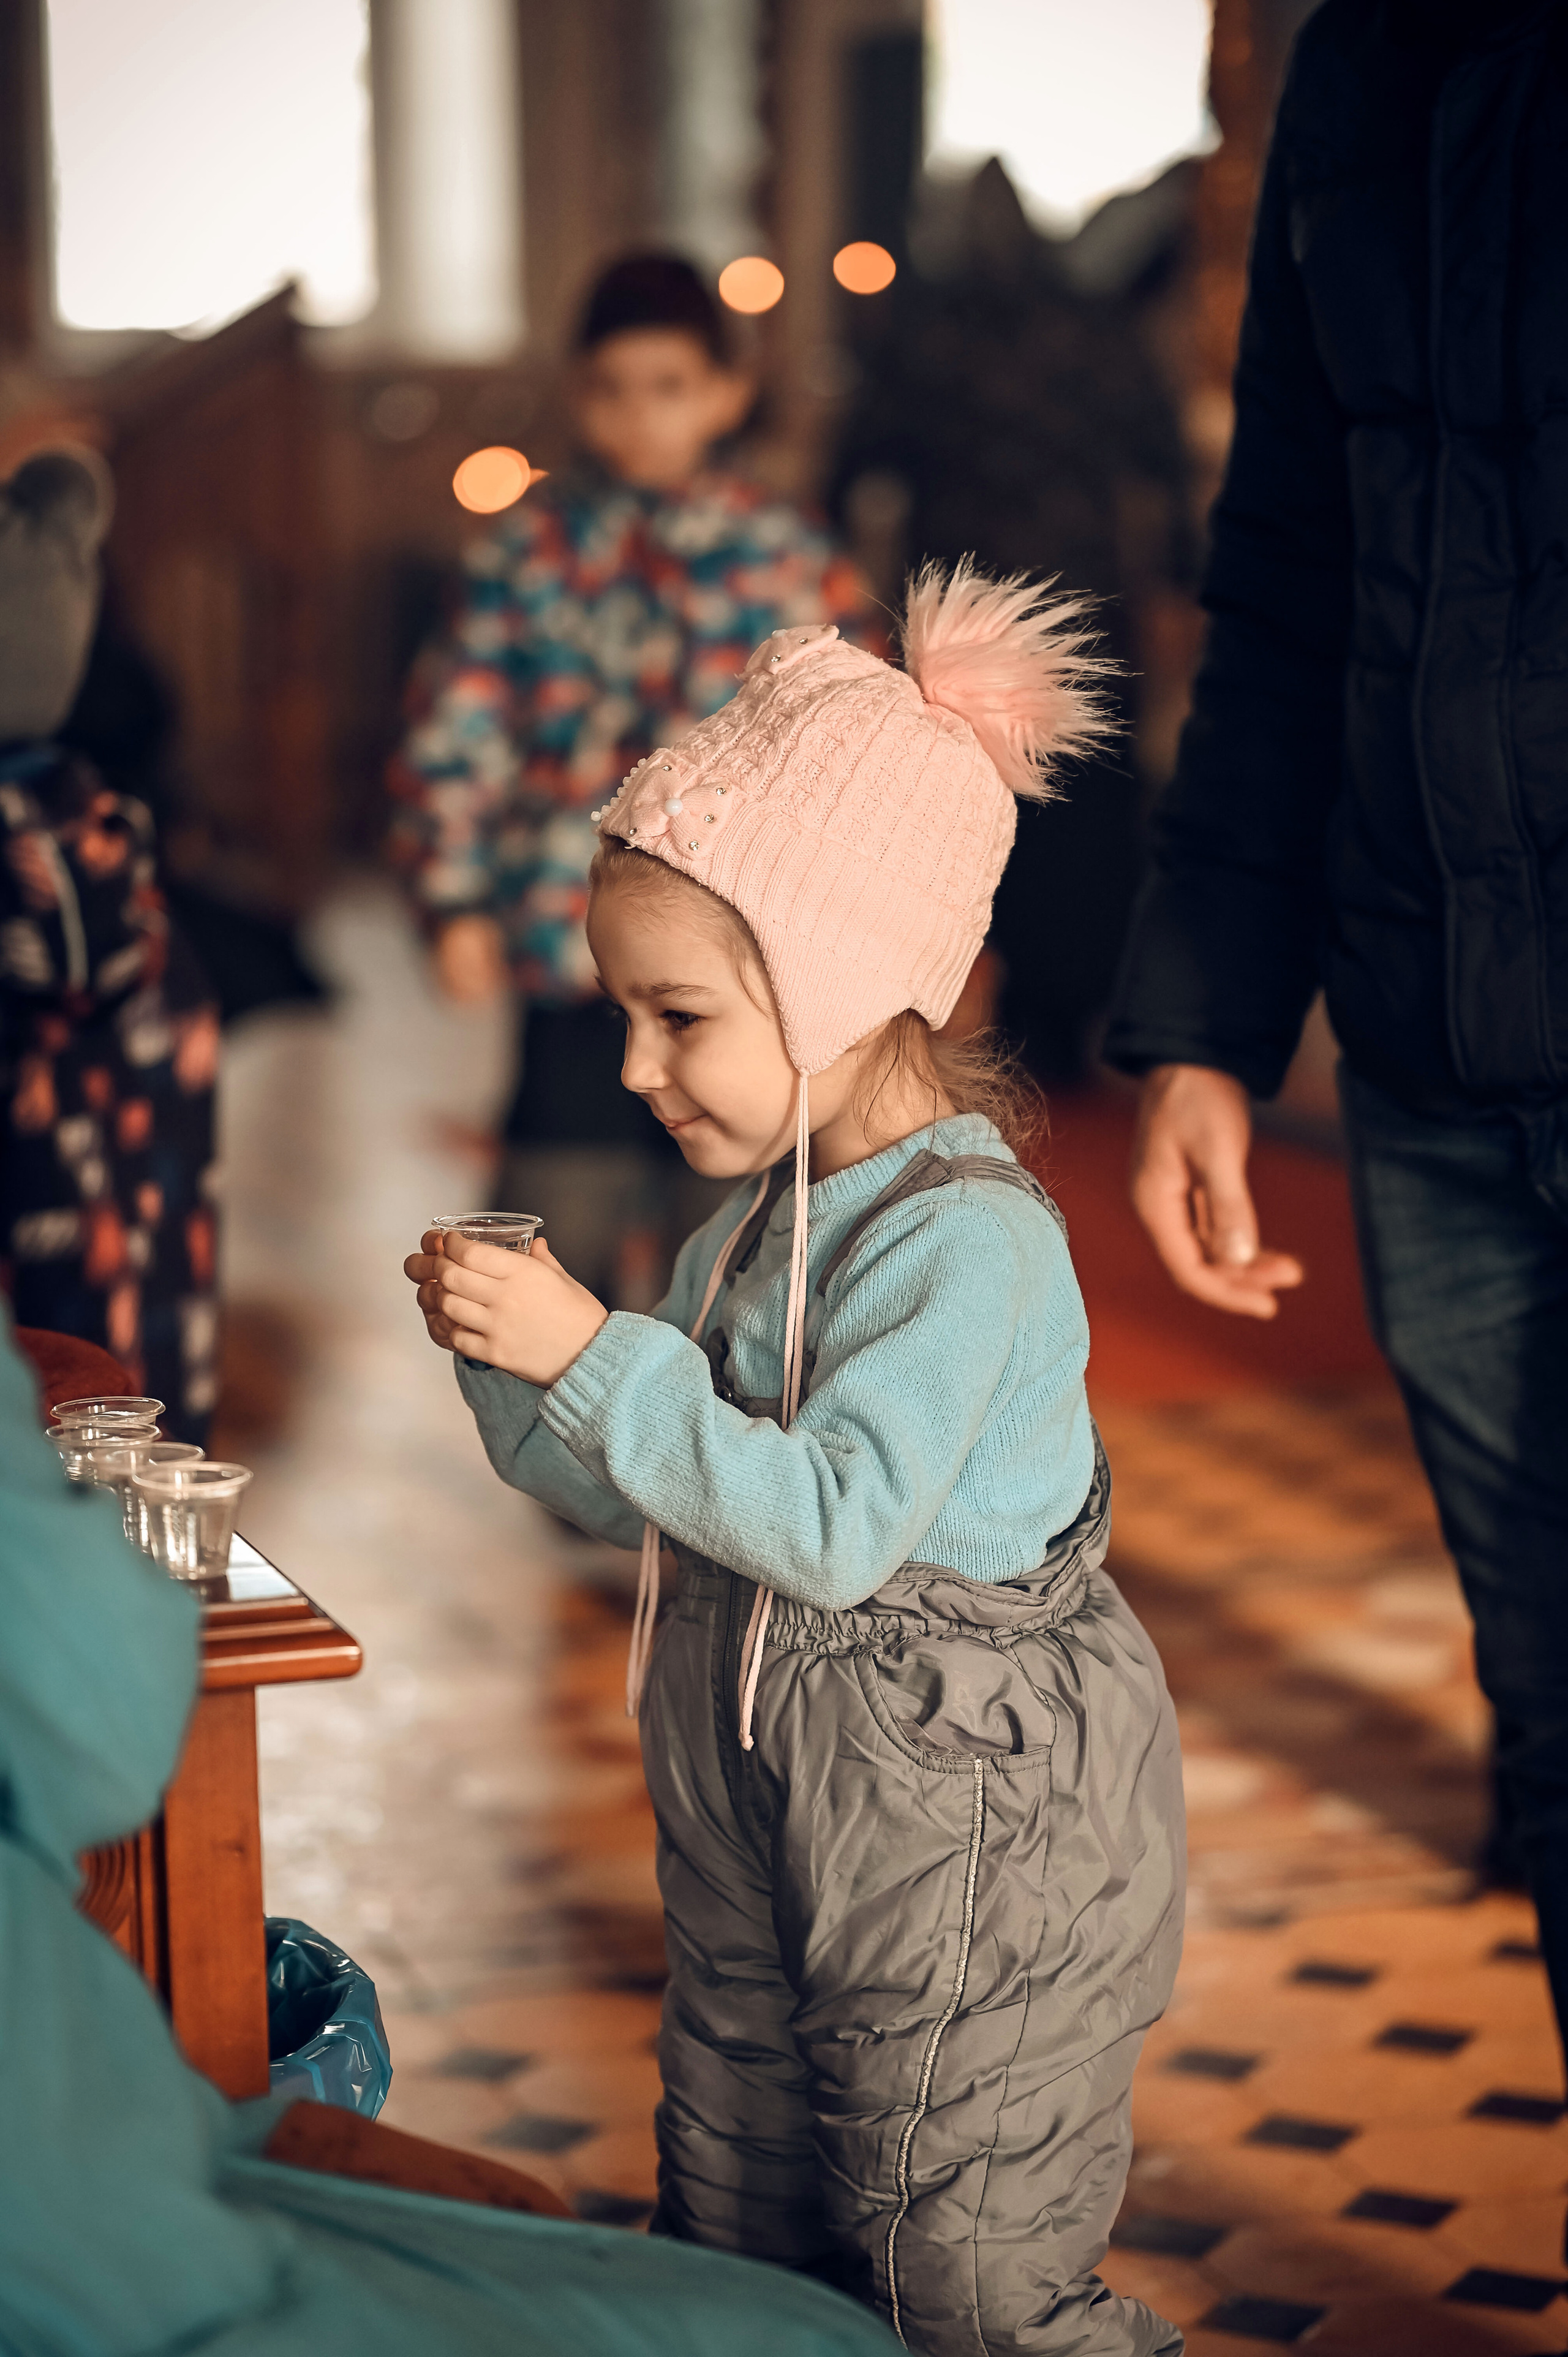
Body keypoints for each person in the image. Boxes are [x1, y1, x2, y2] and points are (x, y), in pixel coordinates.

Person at [405, 572, 1186, 2355]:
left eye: (679, 1017)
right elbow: (642, 1480)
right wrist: (513, 1366)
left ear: (838, 983)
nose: (633, 1064)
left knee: (959, 2270)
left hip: (967, 1848)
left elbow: (830, 1529)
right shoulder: (769, 1222)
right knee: (736, 2227)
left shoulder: (967, 1247)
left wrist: (598, 1357)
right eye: (626, 1013)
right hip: (763, 1823)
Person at [1102, 0, 1568, 2054]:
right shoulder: (1357, 59)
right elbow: (1289, 568)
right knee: (1551, 1725)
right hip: (1433, 1064)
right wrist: (1209, 1016)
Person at [0, 1304, 900, 2357]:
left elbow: (788, 1524)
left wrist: (569, 1362)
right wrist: (561, 1363)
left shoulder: (950, 1240)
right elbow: (106, 1722)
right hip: (97, 2234)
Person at [390, 252, 872, 1308]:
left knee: (738, 1259)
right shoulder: (526, 553)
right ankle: (559, 1452)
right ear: (577, 395)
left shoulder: (787, 557)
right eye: (611, 391)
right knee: (554, 1244)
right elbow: (456, 729)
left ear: (727, 392)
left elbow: (847, 743)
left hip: (743, 955)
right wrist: (454, 898)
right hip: (575, 958)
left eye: (670, 388)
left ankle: (710, 1461)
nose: (639, 418)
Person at [0, 448, 219, 1439]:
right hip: (110, 1190)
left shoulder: (44, 814)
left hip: (82, 1203)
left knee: (94, 1420)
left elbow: (83, 966)